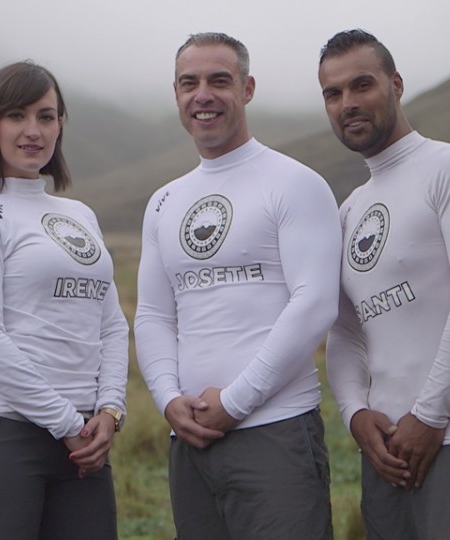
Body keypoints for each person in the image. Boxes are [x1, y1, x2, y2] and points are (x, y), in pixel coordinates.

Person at [134, 32, 341, 539]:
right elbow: (154, 314)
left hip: (275, 431)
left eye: (219, 81)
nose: (202, 95)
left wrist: (235, 403)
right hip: (191, 441)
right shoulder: (163, 202)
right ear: (176, 94)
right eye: (189, 83)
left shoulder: (294, 182)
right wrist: (168, 399)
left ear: (247, 89)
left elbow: (314, 304)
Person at [319, 29, 450, 539]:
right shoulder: (349, 211)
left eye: (362, 84)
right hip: (387, 454)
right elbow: (344, 329)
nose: (348, 103)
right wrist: (355, 413)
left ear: (396, 84)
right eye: (333, 93)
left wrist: (429, 416)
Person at [0, 61, 129, 540]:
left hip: (84, 444)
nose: (34, 131)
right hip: (4, 436)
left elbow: (110, 323)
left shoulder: (80, 213)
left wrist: (109, 410)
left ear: (60, 126)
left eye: (46, 117)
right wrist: (67, 423)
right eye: (17, 116)